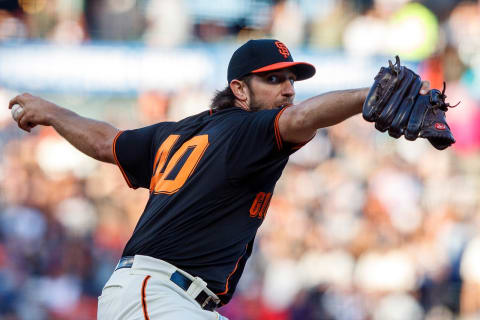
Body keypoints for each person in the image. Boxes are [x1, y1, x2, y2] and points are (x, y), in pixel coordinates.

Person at [8, 39, 427, 319]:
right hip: (158, 294)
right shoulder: (250, 130)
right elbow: (300, 118)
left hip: (165, 298)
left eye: (291, 80)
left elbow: (108, 142)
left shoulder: (182, 130)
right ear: (239, 90)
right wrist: (366, 96)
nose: (288, 90)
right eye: (273, 78)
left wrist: (52, 112)